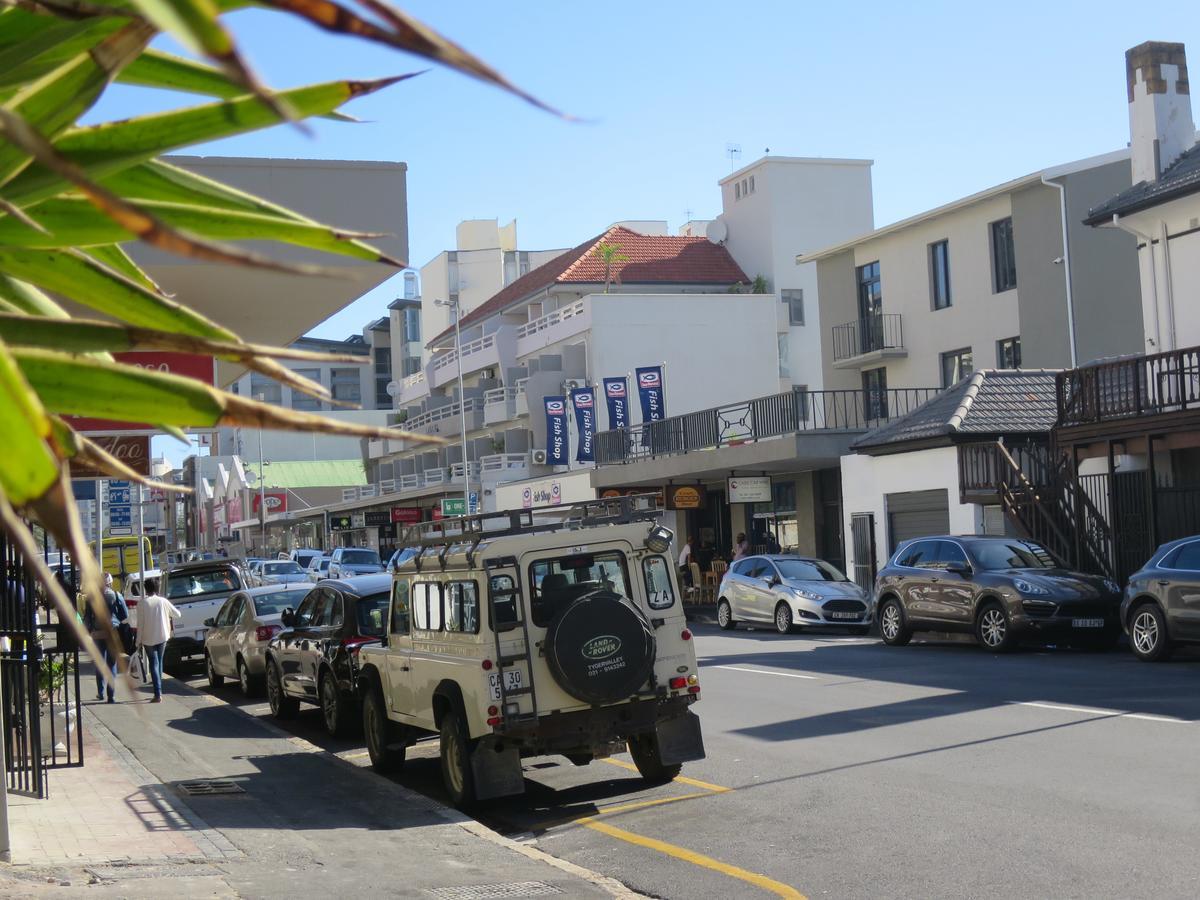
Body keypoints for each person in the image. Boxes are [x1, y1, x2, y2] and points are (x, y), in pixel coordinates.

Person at [135, 577, 181, 703]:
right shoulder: (163, 601)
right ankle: (158, 690)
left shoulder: (142, 604)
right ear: (157, 588)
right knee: (159, 662)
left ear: (145, 589)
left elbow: (140, 625)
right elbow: (178, 614)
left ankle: (157, 693)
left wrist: (137, 642)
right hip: (162, 636)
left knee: (153, 663)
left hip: (148, 638)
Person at [86, 573, 128, 703]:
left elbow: (87, 616)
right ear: (110, 583)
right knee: (112, 664)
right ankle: (111, 695)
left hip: (98, 633)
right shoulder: (116, 595)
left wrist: (89, 630)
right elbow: (124, 615)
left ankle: (100, 691)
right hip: (112, 632)